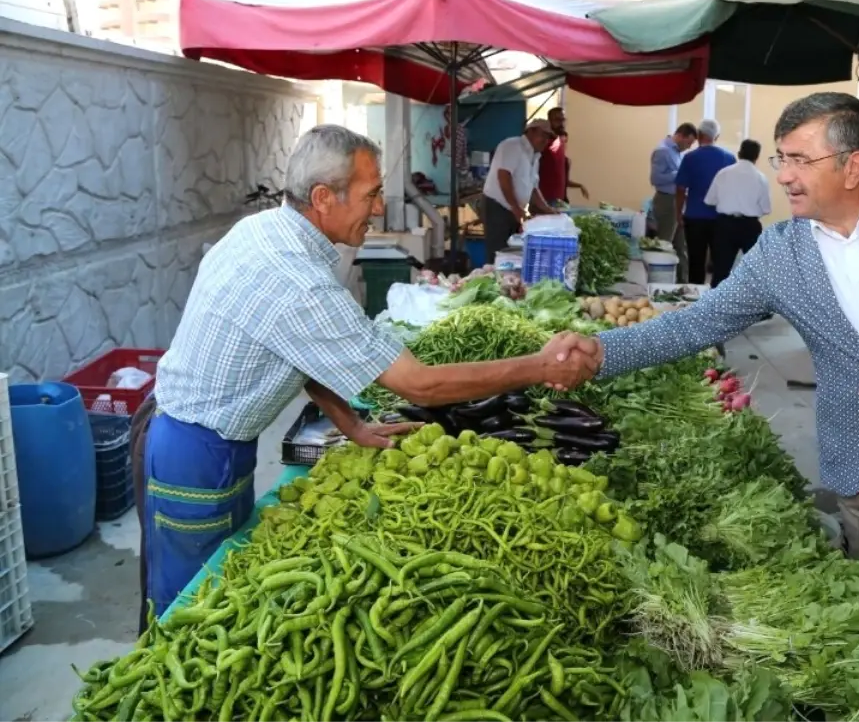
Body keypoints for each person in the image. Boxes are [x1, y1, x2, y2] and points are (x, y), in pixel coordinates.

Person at [558, 92, 859, 720]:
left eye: (799, 159)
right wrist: (600, 351)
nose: (782, 174)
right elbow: (698, 323)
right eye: (781, 158)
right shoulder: (780, 253)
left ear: (853, 165)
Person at [144, 125, 600, 617]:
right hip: (196, 452)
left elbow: (303, 350)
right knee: (187, 610)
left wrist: (351, 423)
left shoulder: (263, 231)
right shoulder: (298, 279)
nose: (380, 207)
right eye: (371, 194)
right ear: (323, 198)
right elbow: (418, 383)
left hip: (205, 441)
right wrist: (537, 366)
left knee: (214, 588)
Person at [482, 119, 557, 263]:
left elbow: (533, 187)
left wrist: (547, 209)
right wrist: (515, 207)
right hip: (498, 206)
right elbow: (503, 176)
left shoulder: (535, 156)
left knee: (511, 253)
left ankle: (507, 281)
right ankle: (493, 279)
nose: (546, 140)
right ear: (530, 131)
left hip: (512, 208)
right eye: (543, 135)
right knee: (498, 252)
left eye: (548, 137)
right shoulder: (512, 145)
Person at [675, 119, 736, 285]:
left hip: (694, 218)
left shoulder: (690, 158)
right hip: (720, 219)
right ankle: (718, 301)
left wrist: (678, 213)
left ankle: (695, 299)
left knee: (696, 261)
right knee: (719, 262)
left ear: (700, 135)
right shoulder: (729, 158)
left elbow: (680, 189)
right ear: (717, 136)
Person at [705, 138, 771, 288]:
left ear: (739, 153)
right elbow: (766, 209)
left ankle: (715, 306)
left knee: (721, 270)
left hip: (724, 225)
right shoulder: (761, 178)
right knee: (754, 271)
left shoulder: (723, 173)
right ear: (756, 157)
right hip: (750, 226)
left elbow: (710, 200)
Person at [650, 123, 699, 280]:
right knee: (664, 245)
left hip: (677, 203)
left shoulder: (677, 152)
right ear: (680, 136)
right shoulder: (662, 151)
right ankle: (661, 284)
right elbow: (655, 179)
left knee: (681, 247)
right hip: (666, 201)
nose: (689, 147)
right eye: (688, 143)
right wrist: (680, 173)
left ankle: (683, 283)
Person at [538, 108, 589, 206]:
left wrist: (579, 185)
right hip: (545, 198)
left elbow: (564, 180)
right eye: (557, 120)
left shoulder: (565, 160)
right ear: (549, 121)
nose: (561, 123)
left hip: (560, 199)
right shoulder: (544, 144)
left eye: (562, 120)